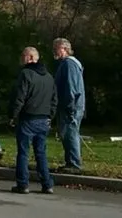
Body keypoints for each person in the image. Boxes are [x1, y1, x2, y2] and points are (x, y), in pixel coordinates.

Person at [8, 46, 56, 195]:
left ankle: (23, 184)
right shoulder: (49, 76)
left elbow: (19, 97)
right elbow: (54, 100)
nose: (21, 59)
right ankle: (47, 184)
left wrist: (12, 115)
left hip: (28, 118)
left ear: (30, 57)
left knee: (23, 152)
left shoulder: (26, 74)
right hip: (44, 119)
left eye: (23, 55)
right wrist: (50, 116)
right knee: (40, 152)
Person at [52, 38, 85, 173]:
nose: (54, 51)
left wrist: (69, 106)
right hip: (72, 105)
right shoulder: (69, 64)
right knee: (68, 134)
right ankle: (70, 162)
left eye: (56, 48)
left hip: (70, 106)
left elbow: (71, 87)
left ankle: (74, 163)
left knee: (70, 133)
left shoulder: (68, 64)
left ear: (64, 48)